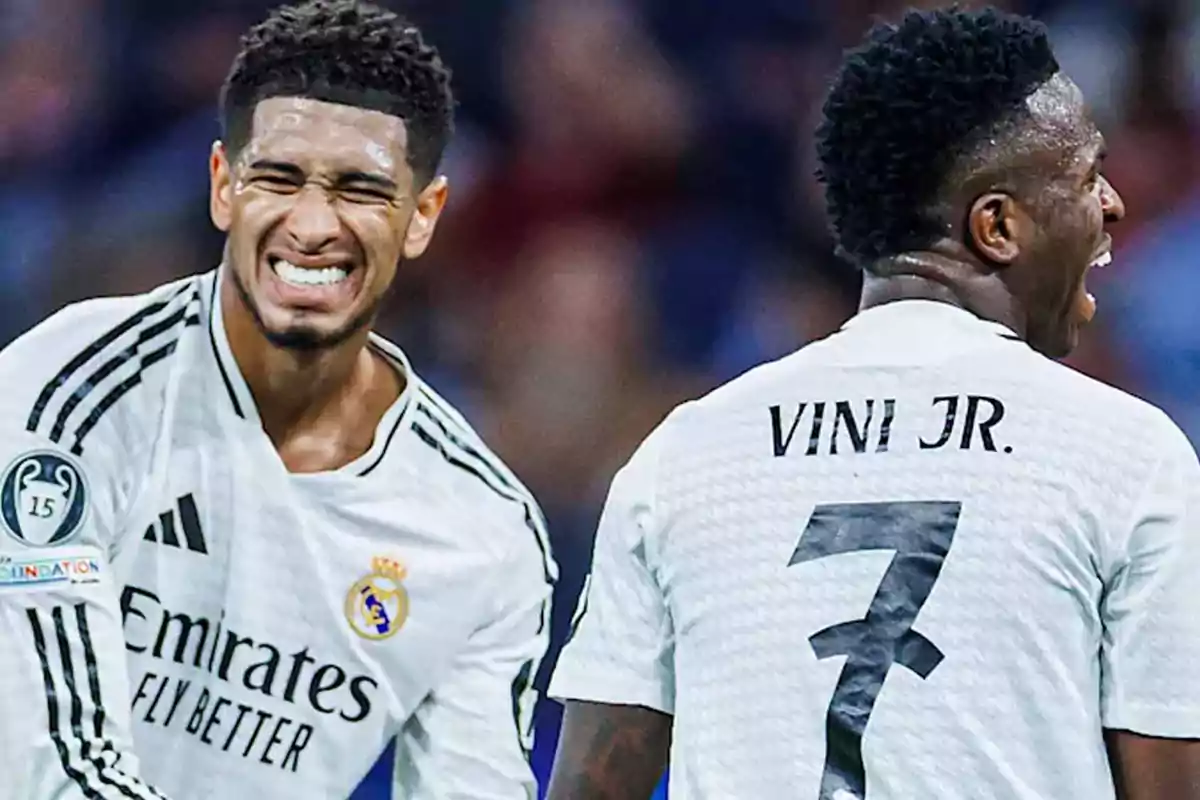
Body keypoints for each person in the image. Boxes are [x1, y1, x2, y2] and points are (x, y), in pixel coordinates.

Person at [546, 6, 1200, 800]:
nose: (1112, 205)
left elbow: (590, 789)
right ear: (997, 226)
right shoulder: (1127, 455)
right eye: (1086, 177)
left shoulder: (684, 454)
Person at [0, 1, 555, 797]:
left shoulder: (485, 532)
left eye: (361, 190)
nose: (313, 224)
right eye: (279, 177)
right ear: (225, 186)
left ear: (423, 215)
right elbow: (52, 766)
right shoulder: (75, 396)